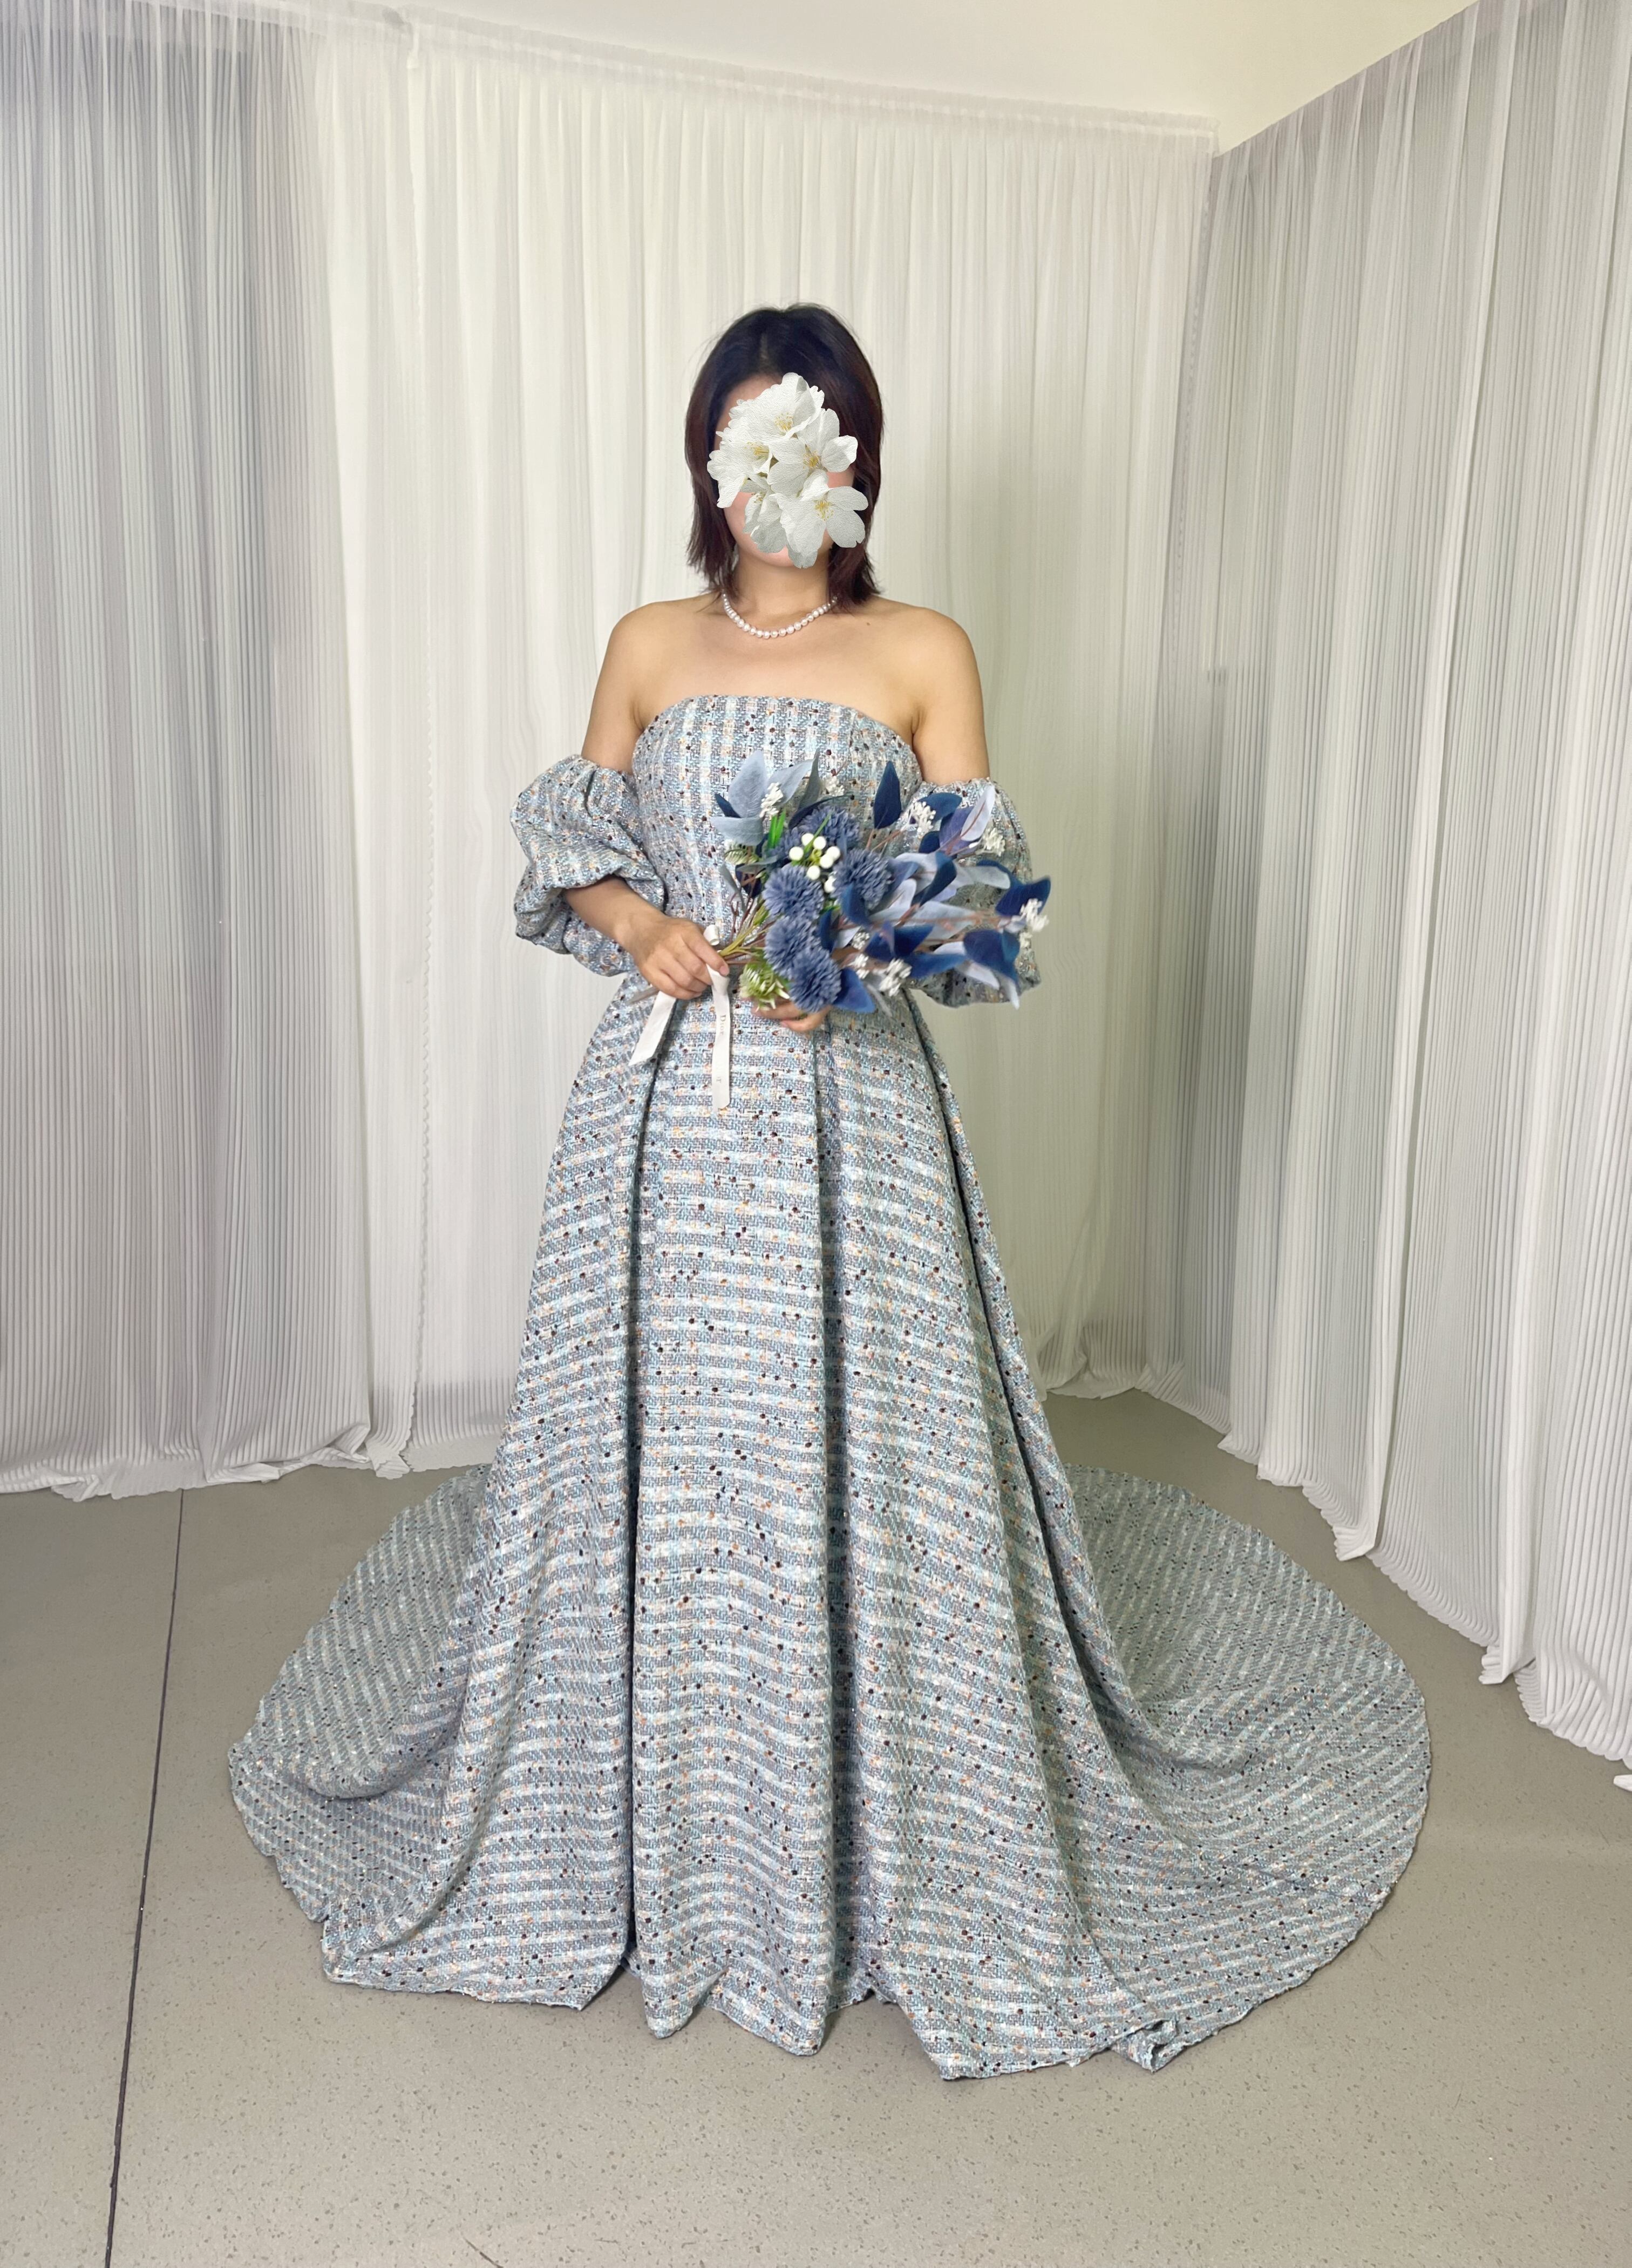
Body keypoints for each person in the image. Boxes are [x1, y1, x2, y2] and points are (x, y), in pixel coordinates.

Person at [231, 303, 1429, 2079]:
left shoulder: (922, 647)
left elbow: (984, 895)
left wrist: (858, 954)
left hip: (855, 1117)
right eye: (744, 431)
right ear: (709, 454)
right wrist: (647, 922)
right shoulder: (648, 641)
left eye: (803, 431)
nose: (771, 466)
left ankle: (876, 1825)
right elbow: (578, 852)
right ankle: (657, 1808)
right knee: (674, 1447)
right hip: (662, 1117)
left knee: (864, 1447)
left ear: (851, 459)